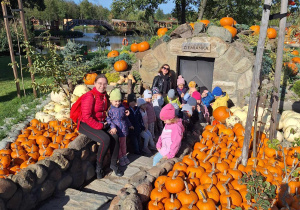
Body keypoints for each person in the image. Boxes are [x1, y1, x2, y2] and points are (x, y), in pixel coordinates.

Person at [78, 74, 123, 178]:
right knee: (105, 139)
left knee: (115, 136)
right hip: (85, 123)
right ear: (94, 84)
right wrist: (100, 126)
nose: (102, 86)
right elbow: (86, 116)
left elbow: (112, 105)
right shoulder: (89, 96)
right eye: (99, 83)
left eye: (104, 84)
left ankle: (113, 164)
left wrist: (125, 110)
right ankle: (99, 167)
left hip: (101, 122)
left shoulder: (104, 96)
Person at [106, 88, 133, 167]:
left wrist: (129, 124)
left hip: (123, 129)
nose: (117, 103)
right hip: (117, 130)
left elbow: (125, 117)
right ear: (111, 100)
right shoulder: (110, 110)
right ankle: (120, 158)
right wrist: (113, 127)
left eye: (119, 101)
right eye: (115, 101)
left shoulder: (122, 107)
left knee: (123, 145)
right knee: (119, 146)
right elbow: (109, 119)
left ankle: (124, 156)